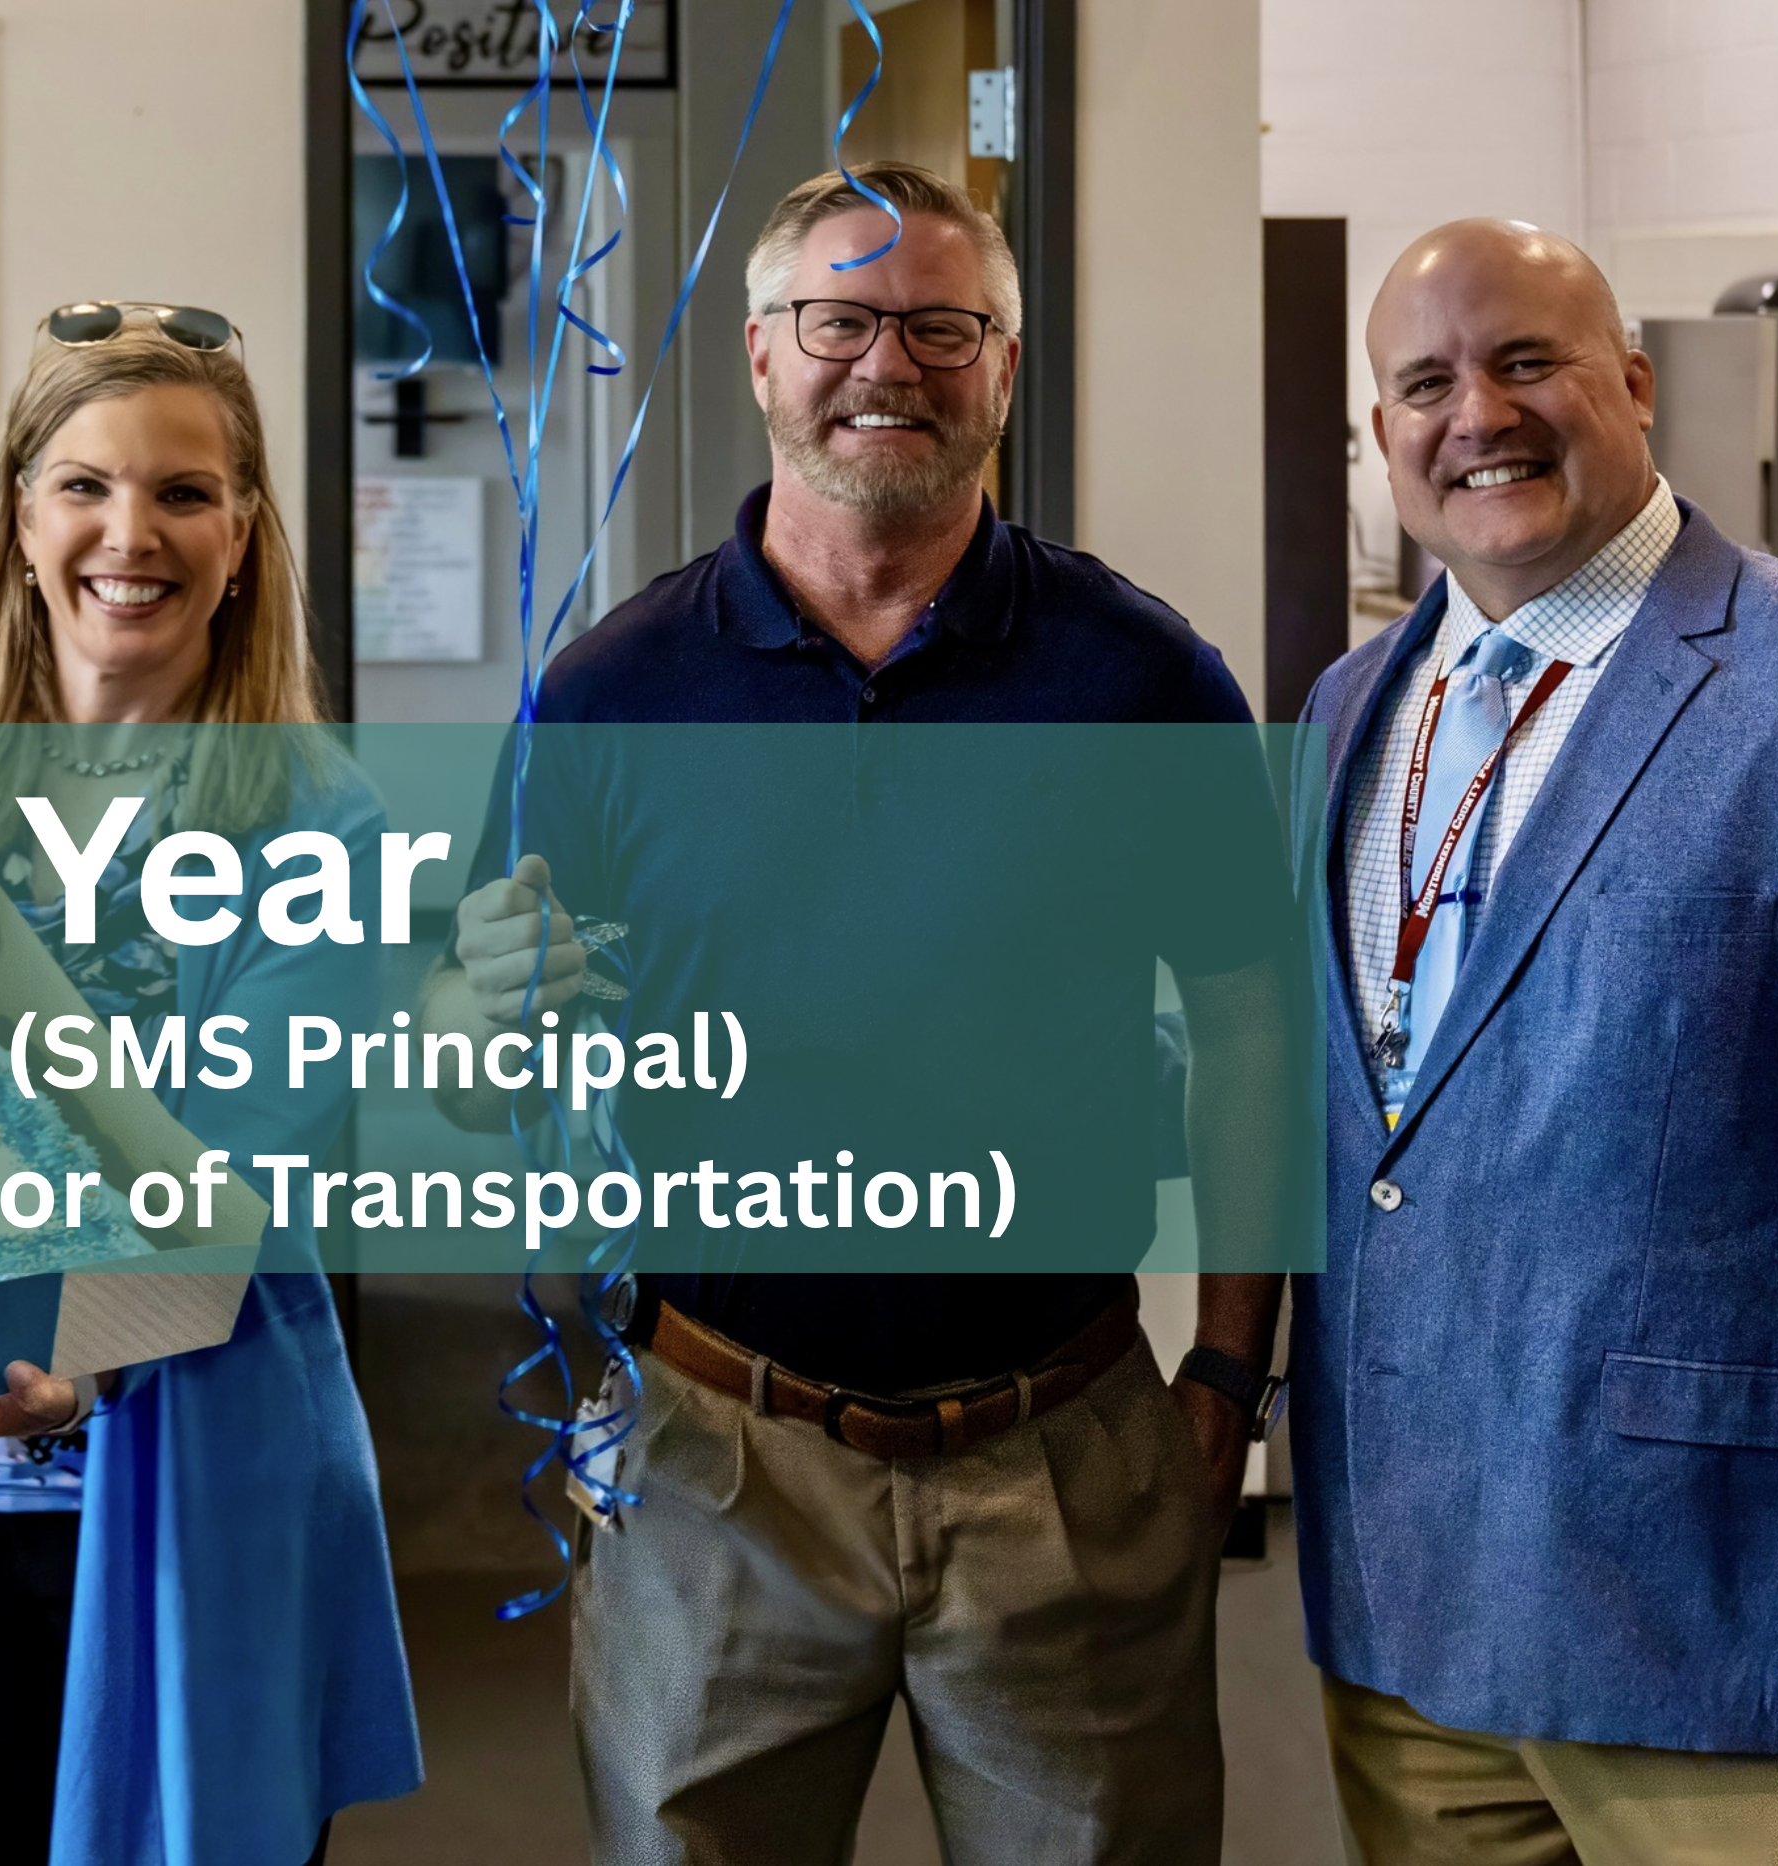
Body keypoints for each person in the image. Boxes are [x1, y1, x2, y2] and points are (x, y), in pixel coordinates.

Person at [420, 161, 1299, 1863]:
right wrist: (481, 1006)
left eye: (942, 324)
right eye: (840, 318)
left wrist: (1230, 1374)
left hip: (1066, 1444)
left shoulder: (1142, 679)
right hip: (711, 1453)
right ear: (761, 354)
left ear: (1004, 366)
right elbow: (467, 1070)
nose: (887, 360)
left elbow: (1256, 1023)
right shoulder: (610, 691)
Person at [0, 304, 421, 1866]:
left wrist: (78, 1349)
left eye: (184, 493)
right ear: (17, 514)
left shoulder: (323, 832)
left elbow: (235, 1169)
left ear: (244, 530)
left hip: (199, 1482)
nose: (129, 534)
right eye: (84, 485)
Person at [1288, 218, 1778, 1861]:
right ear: (1382, 435)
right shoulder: (1349, 705)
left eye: (1528, 361)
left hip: (1718, 1619)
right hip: (1411, 1620)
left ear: (1635, 384)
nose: (1479, 415)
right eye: (1426, 382)